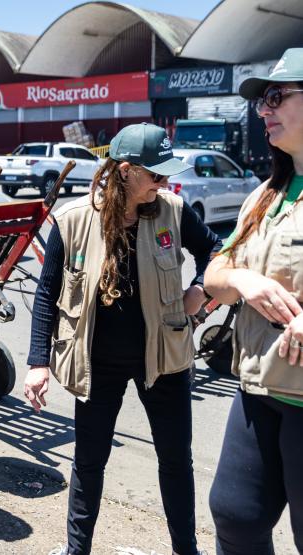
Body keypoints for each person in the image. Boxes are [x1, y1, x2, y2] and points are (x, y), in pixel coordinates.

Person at [24, 123, 219, 555]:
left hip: (165, 359)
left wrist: (201, 292)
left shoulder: (172, 209)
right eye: (156, 175)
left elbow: (216, 250)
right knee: (89, 463)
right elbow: (46, 291)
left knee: (175, 460)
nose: (163, 183)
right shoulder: (74, 220)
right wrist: (38, 362)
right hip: (98, 364)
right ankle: (78, 550)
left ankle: (186, 549)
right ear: (127, 171)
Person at [204, 48, 303, 554]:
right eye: (262, 101)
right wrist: (244, 280)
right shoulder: (264, 193)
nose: (263, 110)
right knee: (236, 515)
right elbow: (215, 273)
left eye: (275, 96)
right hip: (258, 390)